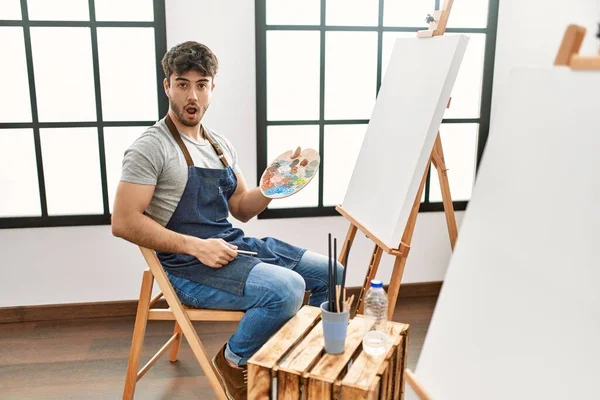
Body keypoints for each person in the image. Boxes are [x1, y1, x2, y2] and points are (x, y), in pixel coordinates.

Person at [111, 41, 343, 400]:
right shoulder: (150, 147)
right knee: (287, 289)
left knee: (333, 273)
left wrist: (275, 186)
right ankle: (235, 360)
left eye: (201, 84)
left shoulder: (219, 145)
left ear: (211, 88)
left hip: (229, 246)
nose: (192, 95)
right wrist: (194, 246)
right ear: (167, 86)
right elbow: (124, 222)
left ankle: (298, 360)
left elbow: (242, 209)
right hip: (185, 265)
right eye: (182, 83)